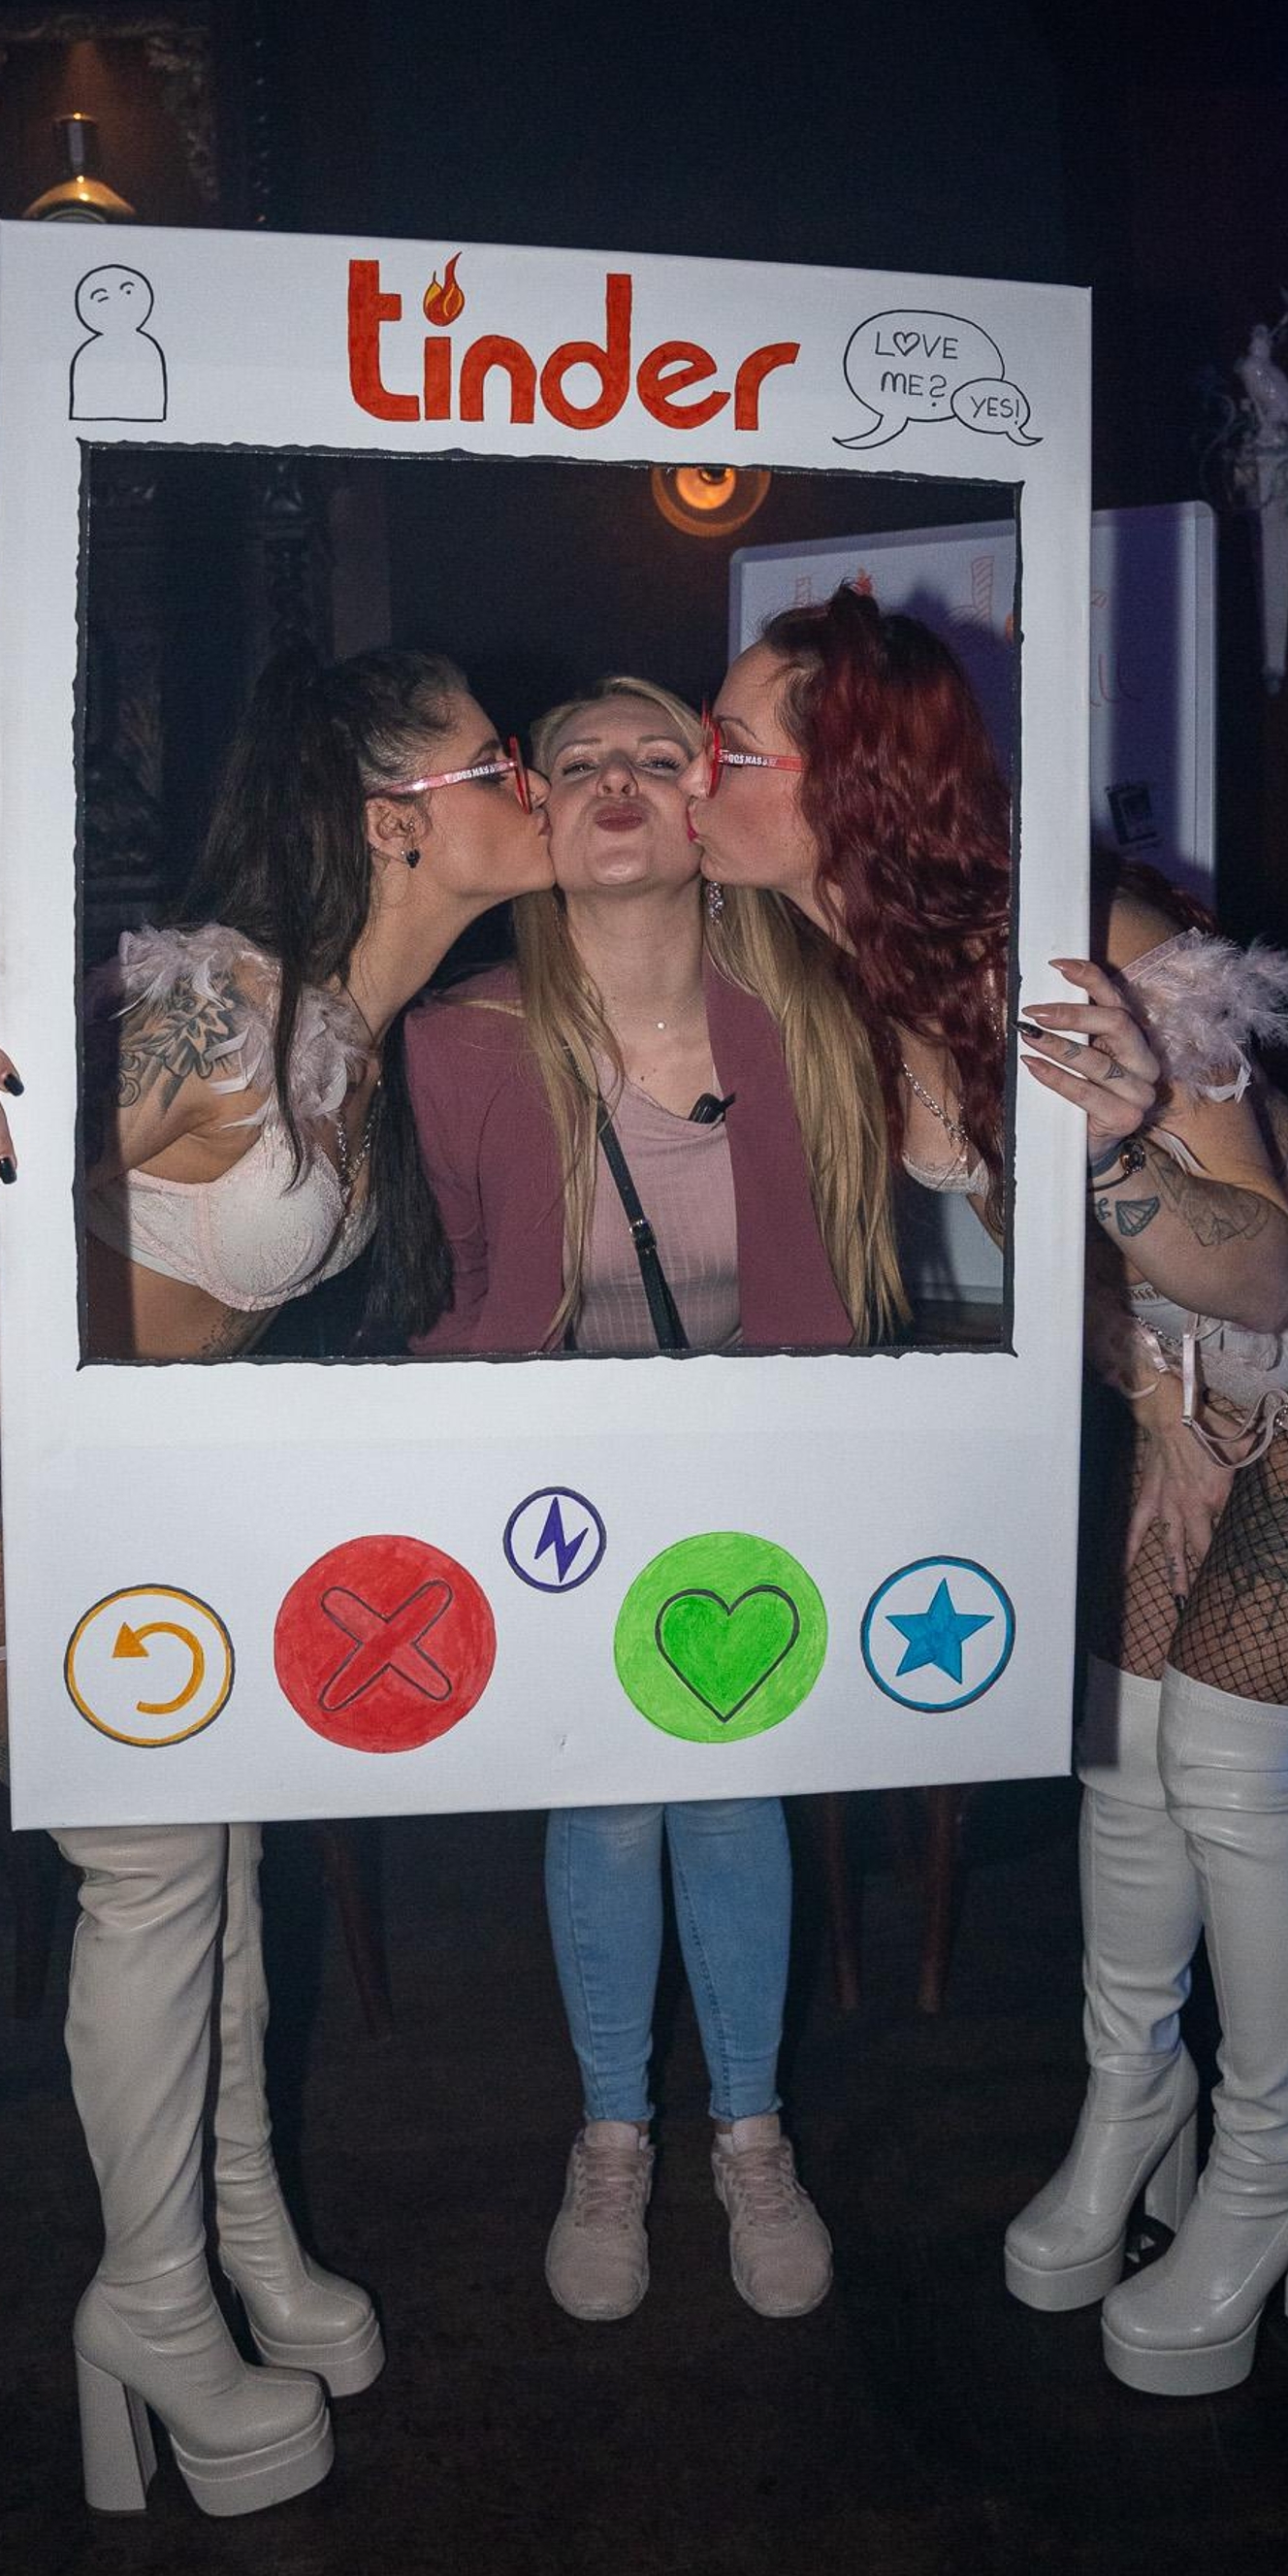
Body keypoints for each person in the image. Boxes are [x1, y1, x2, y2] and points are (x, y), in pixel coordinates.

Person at [688, 590, 1288, 2395]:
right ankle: (1131, 2112)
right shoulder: (832, 958)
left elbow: (1261, 1270)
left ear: (850, 786)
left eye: (732, 745)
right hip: (1195, 1373)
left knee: (1226, 1761)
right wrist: (1166, 1412)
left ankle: (1276, 2162)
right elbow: (1055, 1263)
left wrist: (1121, 1144)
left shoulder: (1084, 948)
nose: (697, 769)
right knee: (1122, 1755)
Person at [0, 644, 553, 2514]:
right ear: (392, 821)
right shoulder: (214, 1003)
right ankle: (145, 2305)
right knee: (149, 1852)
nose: (531, 779)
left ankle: (243, 2237)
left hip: (108, 1475)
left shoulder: (355, 1032)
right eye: (501, 759)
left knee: (222, 1833)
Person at [404, 675, 900, 2327]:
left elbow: (851, 1270)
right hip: (559, 1477)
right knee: (613, 1794)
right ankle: (614, 2136)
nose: (616, 782)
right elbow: (471, 1285)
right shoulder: (458, 1039)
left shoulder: (812, 1013)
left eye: (655, 756)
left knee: (732, 1785)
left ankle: (749, 2134)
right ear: (537, 809)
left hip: (766, 1457)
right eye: (578, 762)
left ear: (704, 802)